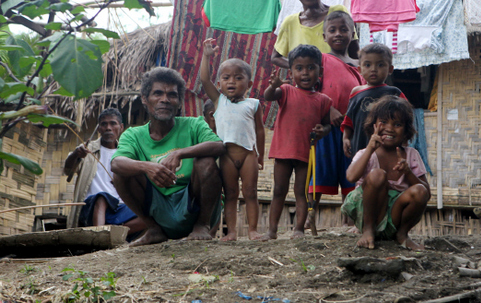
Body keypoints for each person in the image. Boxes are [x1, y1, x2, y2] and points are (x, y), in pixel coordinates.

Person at [111, 67, 225, 247]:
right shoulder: (133, 135)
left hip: (194, 205)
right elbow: (116, 163)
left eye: (172, 95)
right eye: (157, 93)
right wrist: (148, 167)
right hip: (158, 209)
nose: (165, 99)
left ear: (179, 102)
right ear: (144, 99)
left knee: (206, 160)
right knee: (122, 173)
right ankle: (154, 229)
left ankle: (202, 225)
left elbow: (219, 146)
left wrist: (179, 153)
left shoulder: (194, 124)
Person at [342, 95, 430, 250]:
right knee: (377, 175)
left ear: (406, 131)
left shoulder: (411, 155)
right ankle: (368, 230)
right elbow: (351, 177)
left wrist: (408, 172)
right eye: (383, 122)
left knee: (420, 190)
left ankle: (402, 235)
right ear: (373, 124)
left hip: (394, 217)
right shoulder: (366, 153)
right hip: (368, 212)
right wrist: (370, 148)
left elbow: (426, 193)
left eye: (397, 124)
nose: (389, 128)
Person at [200, 38, 265, 241]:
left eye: (238, 78)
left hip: (248, 155)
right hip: (226, 156)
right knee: (230, 194)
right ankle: (232, 233)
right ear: (219, 84)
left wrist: (260, 155)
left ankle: (253, 231)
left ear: (249, 83)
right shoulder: (219, 101)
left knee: (251, 192)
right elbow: (204, 80)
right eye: (226, 78)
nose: (231, 82)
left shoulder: (254, 104)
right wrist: (206, 56)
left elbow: (260, 131)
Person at [264, 44, 332, 239]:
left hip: (305, 154)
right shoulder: (285, 90)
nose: (305, 73)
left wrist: (322, 130)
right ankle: (271, 230)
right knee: (278, 190)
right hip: (283, 152)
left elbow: (327, 126)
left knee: (301, 192)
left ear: (320, 70)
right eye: (299, 68)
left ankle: (299, 229)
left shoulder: (323, 100)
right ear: (291, 71)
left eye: (311, 67)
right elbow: (268, 97)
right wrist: (274, 85)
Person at [305, 11, 363, 228]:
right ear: (324, 36)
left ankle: (349, 223)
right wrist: (328, 110)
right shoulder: (321, 60)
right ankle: (309, 219)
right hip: (326, 129)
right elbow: (309, 88)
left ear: (352, 33)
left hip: (353, 132)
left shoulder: (360, 64)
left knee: (351, 177)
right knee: (319, 175)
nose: (338, 34)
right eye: (332, 30)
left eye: (344, 29)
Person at [64, 108, 144, 236]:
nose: (108, 128)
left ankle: (112, 233)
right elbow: (67, 169)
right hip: (91, 209)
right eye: (104, 124)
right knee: (102, 197)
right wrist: (75, 154)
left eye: (113, 123)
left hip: (119, 209)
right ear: (99, 129)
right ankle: (101, 238)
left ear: (121, 127)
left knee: (149, 214)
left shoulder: (126, 155)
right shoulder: (87, 150)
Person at [341, 43, 407, 159]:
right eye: (367, 65)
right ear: (360, 69)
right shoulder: (356, 93)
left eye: (380, 65)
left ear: (390, 69)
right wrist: (345, 138)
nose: (373, 69)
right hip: (360, 147)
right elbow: (349, 120)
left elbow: (406, 122)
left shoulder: (395, 93)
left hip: (387, 149)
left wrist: (404, 144)